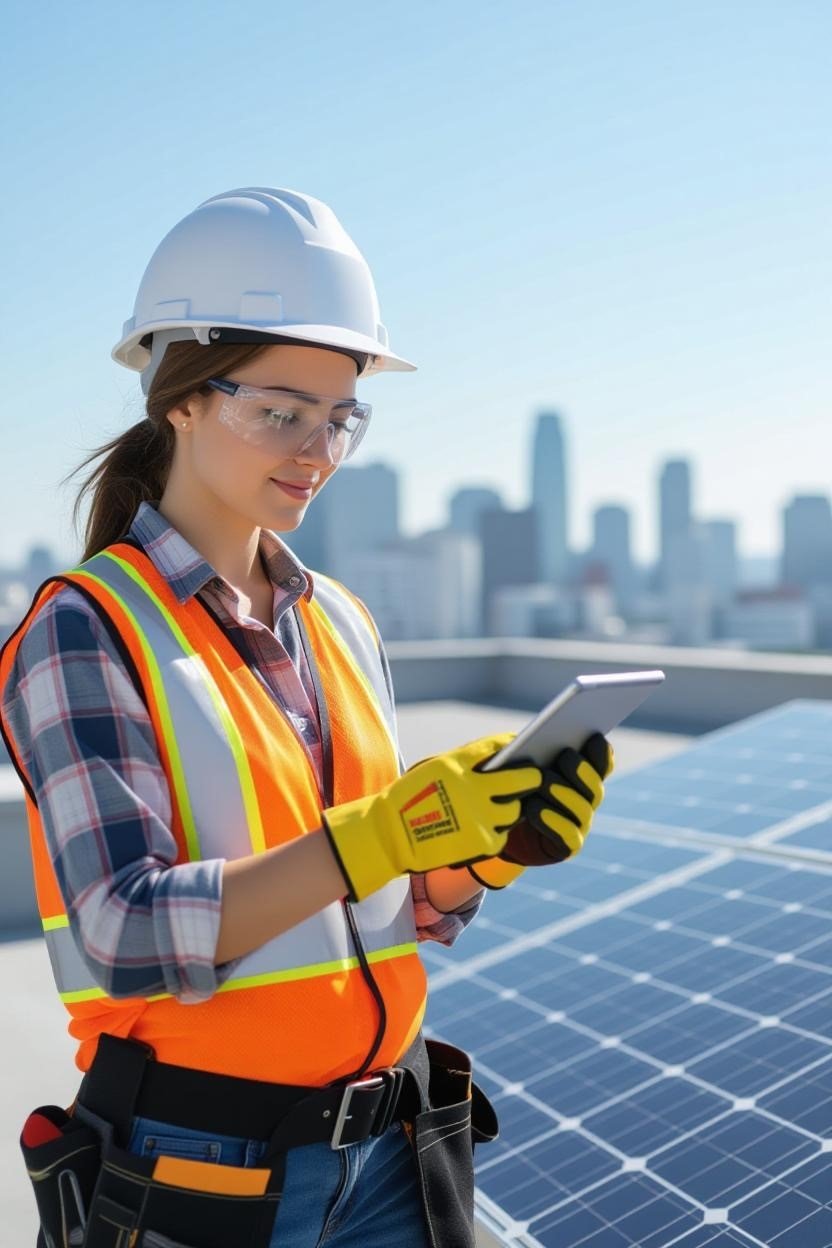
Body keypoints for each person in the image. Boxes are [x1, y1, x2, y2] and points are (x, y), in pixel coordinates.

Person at [0, 186, 612, 1248]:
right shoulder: (86, 627)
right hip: (203, 1168)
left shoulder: (344, 622)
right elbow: (120, 929)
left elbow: (382, 911)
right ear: (179, 399)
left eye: (341, 418)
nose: (317, 450)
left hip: (393, 1149)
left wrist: (473, 855)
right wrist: (374, 836)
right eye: (280, 413)